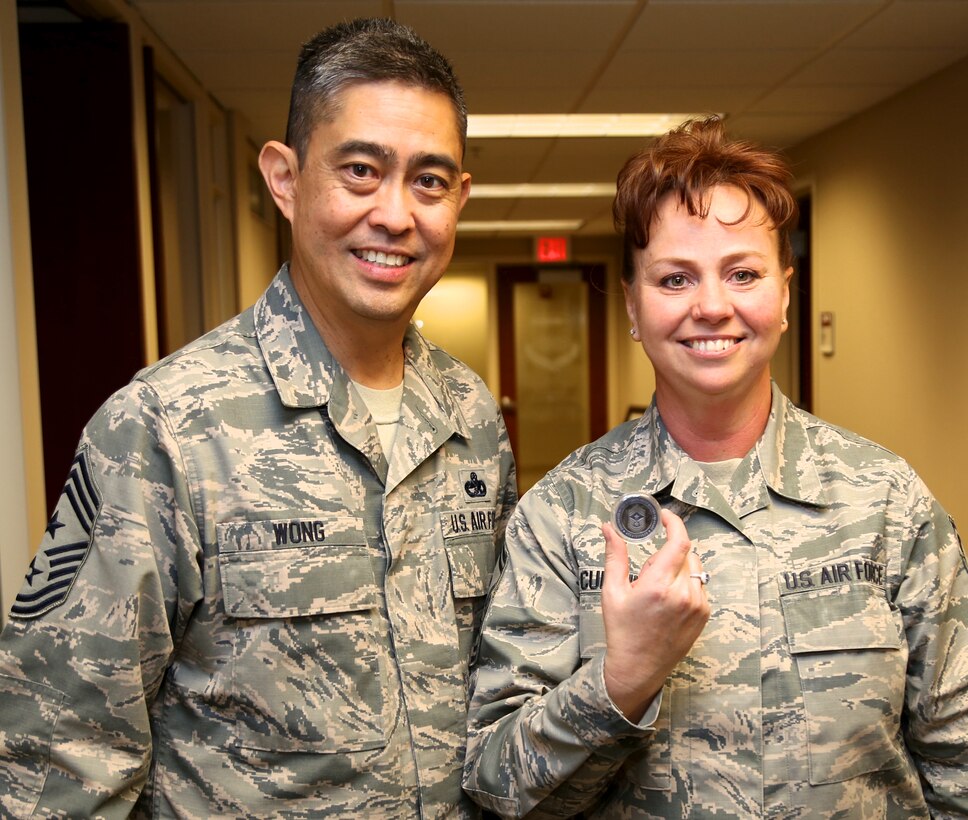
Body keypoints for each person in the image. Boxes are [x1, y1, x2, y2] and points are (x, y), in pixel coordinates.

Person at [0, 18, 516, 817]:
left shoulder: (471, 416)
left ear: (460, 200)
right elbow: (59, 756)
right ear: (285, 178)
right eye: (360, 171)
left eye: (428, 181)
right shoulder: (166, 428)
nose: (395, 214)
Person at [462, 116, 968, 817]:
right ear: (633, 305)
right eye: (675, 279)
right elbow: (499, 785)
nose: (711, 306)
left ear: (784, 293)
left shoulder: (884, 500)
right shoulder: (562, 514)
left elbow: (955, 754)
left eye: (743, 274)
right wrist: (621, 680)